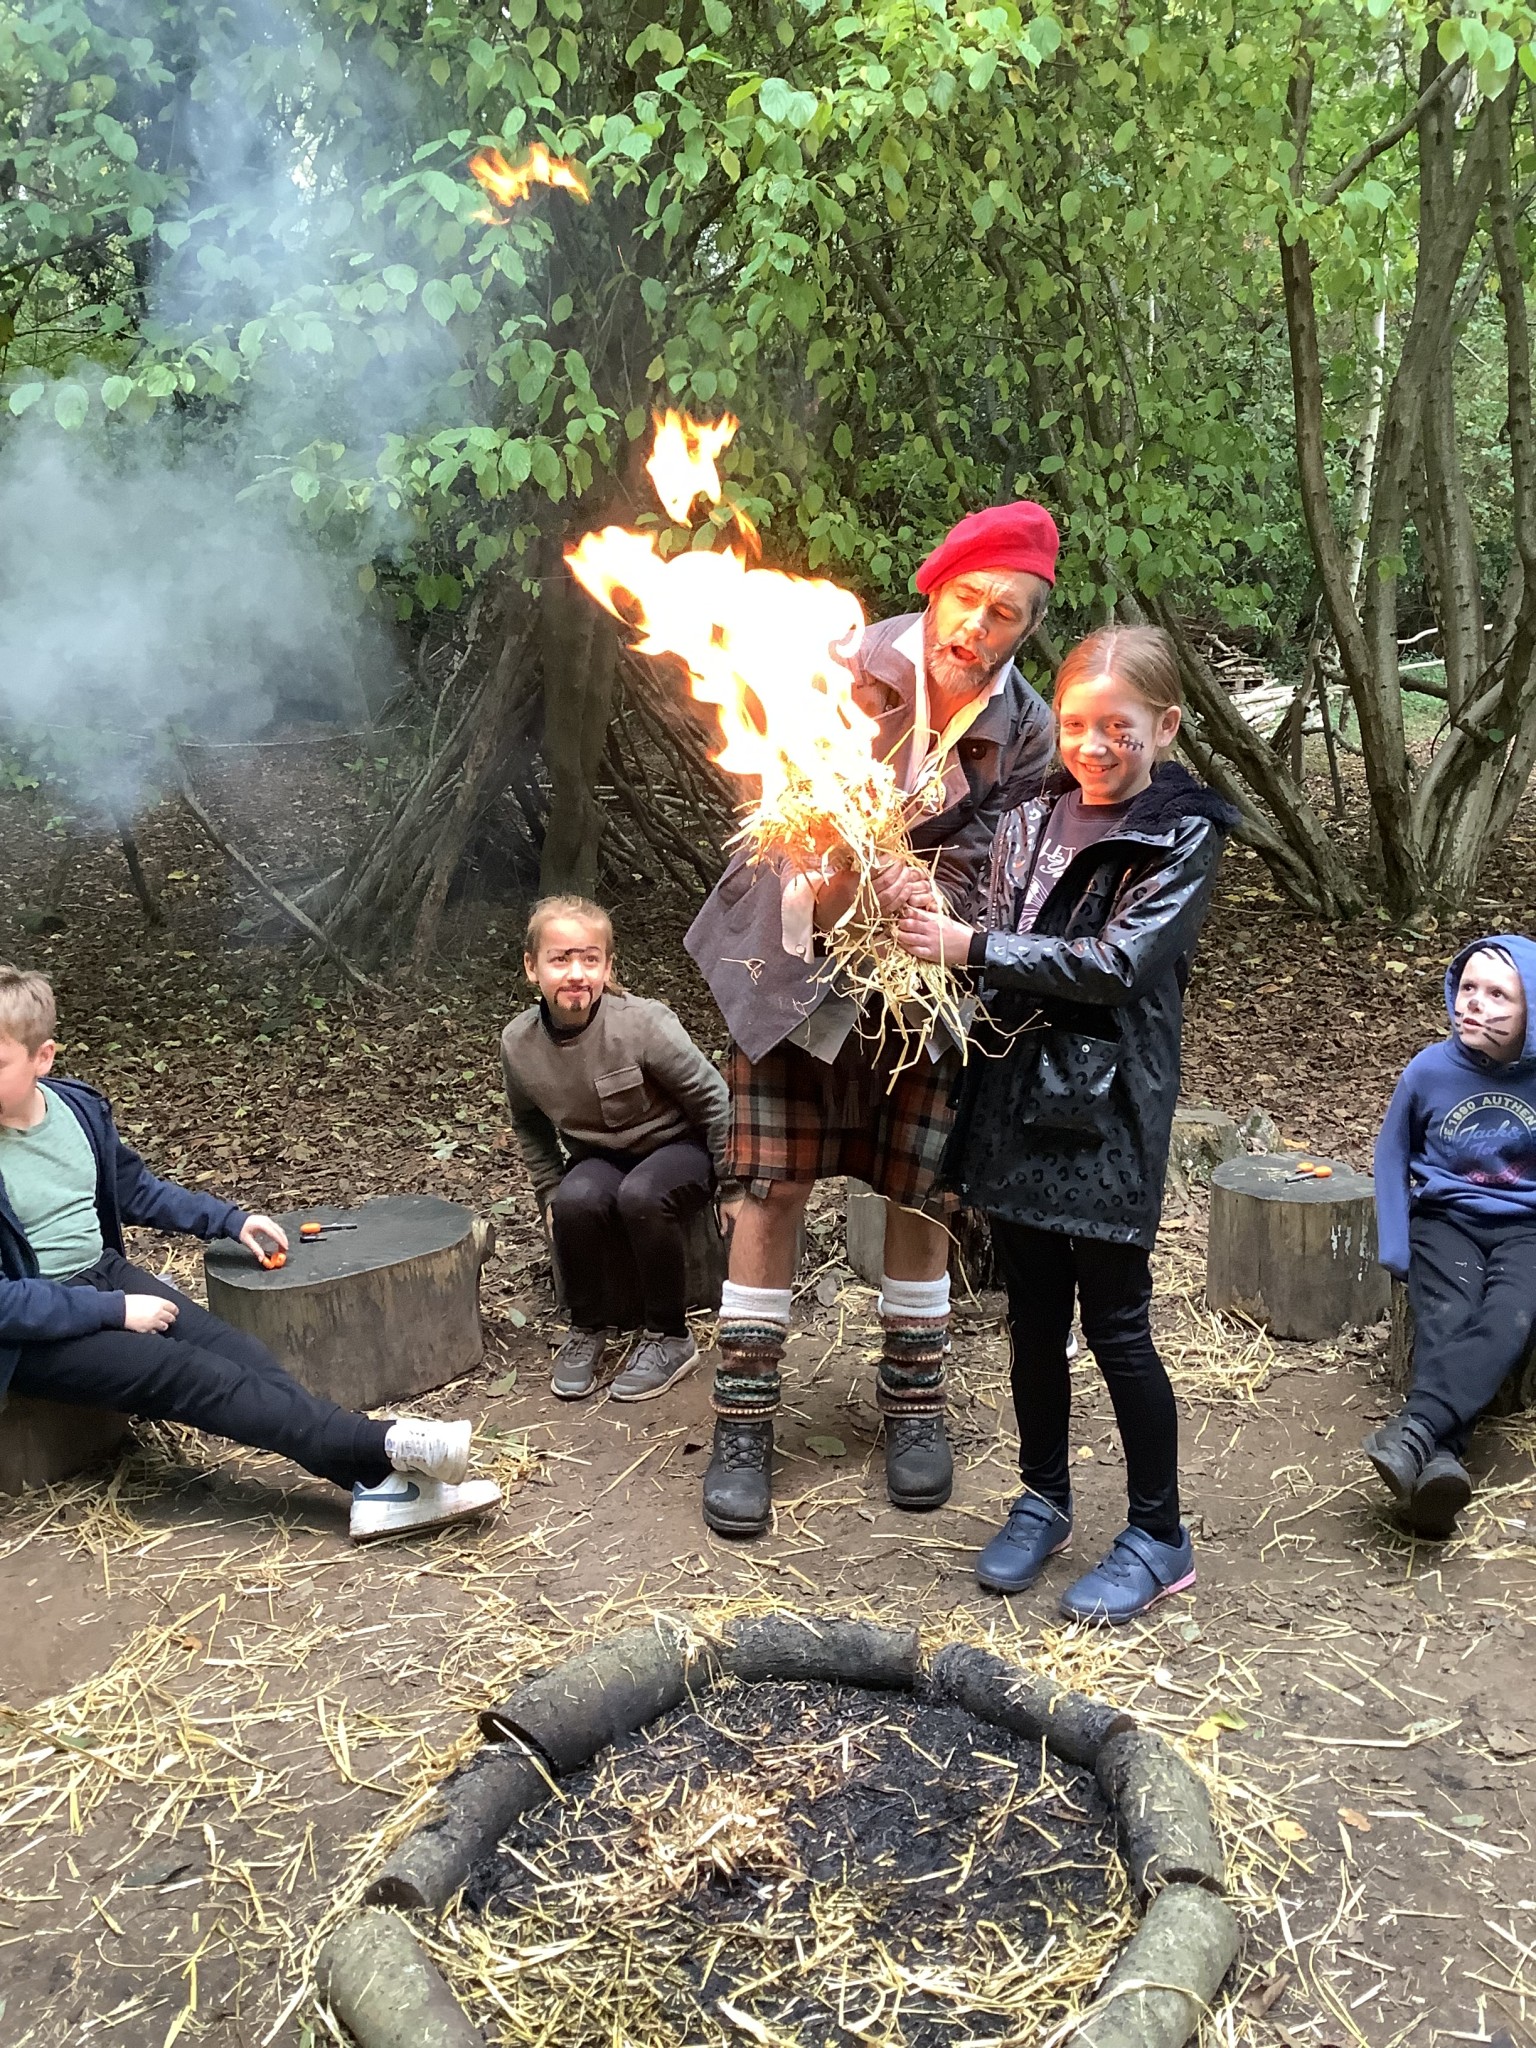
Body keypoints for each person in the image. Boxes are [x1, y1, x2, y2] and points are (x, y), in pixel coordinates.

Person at [684, 501, 1060, 1537]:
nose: (978, 626)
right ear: (938, 586)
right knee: (771, 1183)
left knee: (921, 1188)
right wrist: (836, 862)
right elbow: (766, 789)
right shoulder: (836, 659)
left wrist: (936, 899)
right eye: (969, 598)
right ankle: (744, 1422)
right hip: (798, 959)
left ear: (1029, 627)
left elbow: (1011, 860)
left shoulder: (1029, 727)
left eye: (1007, 614)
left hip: (924, 980)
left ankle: (913, 1403)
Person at [898, 625, 1238, 1622]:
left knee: (1117, 1324)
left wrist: (970, 946)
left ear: (1165, 727)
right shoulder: (1030, 816)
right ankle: (1043, 1496)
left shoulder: (1181, 833)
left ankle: (1159, 1533)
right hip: (1015, 1095)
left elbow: (1117, 964)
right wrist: (920, 900)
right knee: (1034, 1316)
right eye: (1078, 723)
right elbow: (982, 910)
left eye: (1118, 727)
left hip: (1110, 1108)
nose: (1094, 745)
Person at [0, 964, 501, 1543]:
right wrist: (113, 1311)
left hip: (101, 1274)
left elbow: (135, 1191)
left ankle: (375, 1487)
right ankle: (381, 1442)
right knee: (186, 1373)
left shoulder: (77, 1110)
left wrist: (229, 1220)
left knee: (240, 1353)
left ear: (43, 1057)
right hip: (29, 1332)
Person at [502, 895, 736, 1401]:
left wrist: (734, 1185)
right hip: (601, 1157)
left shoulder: (642, 1024)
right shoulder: (518, 1044)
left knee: (641, 1195)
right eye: (559, 959)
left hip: (679, 1148)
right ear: (532, 967)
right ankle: (587, 1326)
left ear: (607, 967)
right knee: (574, 1201)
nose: (576, 973)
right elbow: (528, 1123)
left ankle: (669, 1336)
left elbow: (714, 1099)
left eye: (590, 959)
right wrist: (548, 1190)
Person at [1366, 936, 1536, 1540]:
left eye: (1498, 995)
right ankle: (1440, 1460)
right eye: (1467, 988)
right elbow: (1391, 1152)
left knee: (1509, 1318)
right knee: (1447, 1315)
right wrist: (1395, 1242)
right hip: (1446, 1219)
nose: (1475, 1004)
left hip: (1526, 1228)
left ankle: (1417, 1432)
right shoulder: (1429, 1070)